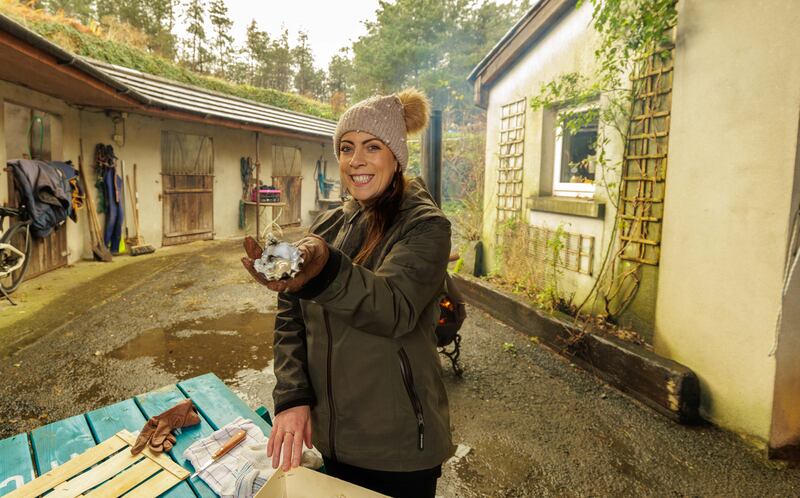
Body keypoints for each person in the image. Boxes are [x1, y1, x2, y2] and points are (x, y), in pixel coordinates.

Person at [241, 88, 454, 498]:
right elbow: (291, 314)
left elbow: (392, 308)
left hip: (398, 450)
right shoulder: (329, 223)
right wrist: (292, 395)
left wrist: (324, 267)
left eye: (372, 147)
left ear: (396, 156)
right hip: (334, 439)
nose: (355, 160)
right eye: (346, 147)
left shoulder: (427, 226)